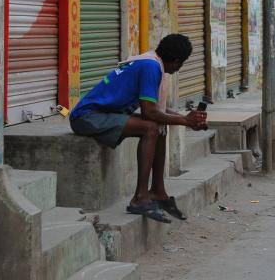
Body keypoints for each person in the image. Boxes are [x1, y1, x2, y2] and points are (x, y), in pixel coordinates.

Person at [69, 34, 207, 223]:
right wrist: (185, 121)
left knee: (160, 125)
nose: (178, 68)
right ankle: (140, 197)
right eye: (180, 64)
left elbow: (156, 108)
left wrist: (186, 118)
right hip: (86, 117)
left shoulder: (149, 62)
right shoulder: (151, 68)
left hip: (103, 114)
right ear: (176, 61)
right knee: (151, 127)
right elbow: (150, 113)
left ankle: (158, 191)